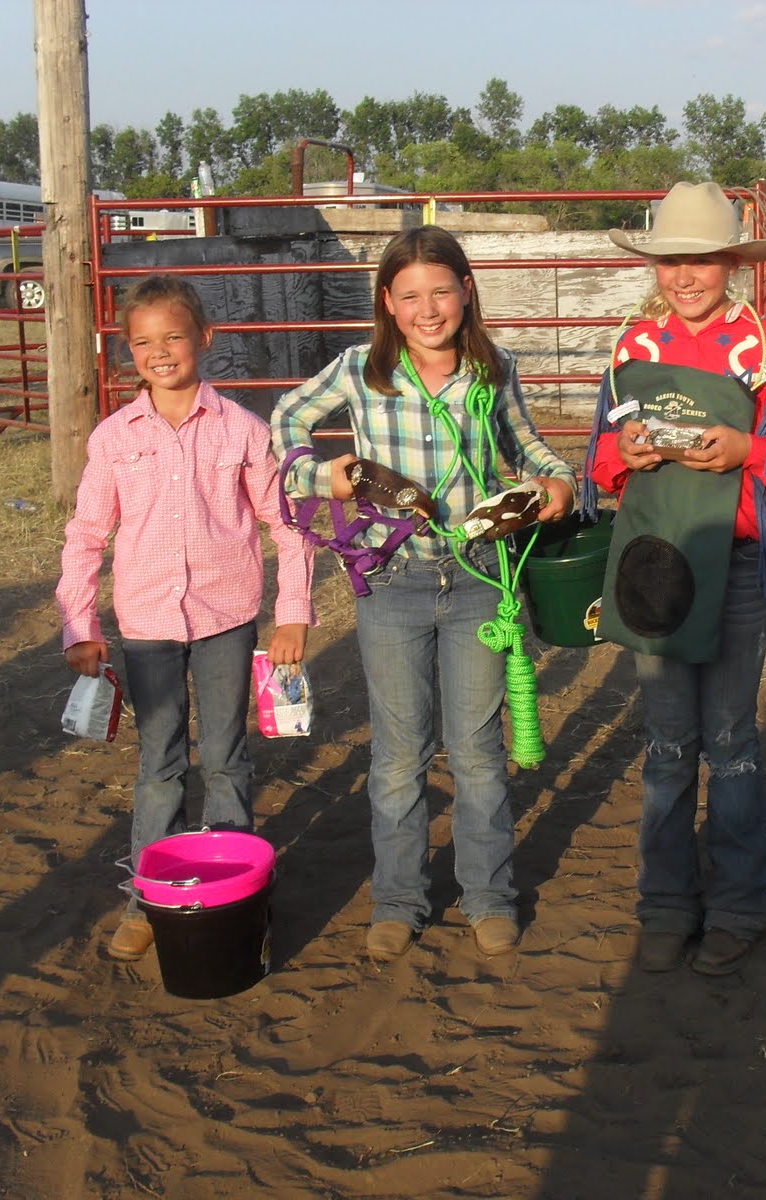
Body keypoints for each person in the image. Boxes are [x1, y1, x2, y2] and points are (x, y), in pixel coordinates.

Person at [273, 226, 576, 963]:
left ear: (466, 290)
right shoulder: (358, 370)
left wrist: (557, 481)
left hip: (476, 579)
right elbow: (285, 423)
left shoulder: (491, 368)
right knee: (401, 754)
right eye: (410, 295)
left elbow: (525, 445)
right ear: (387, 302)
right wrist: (328, 475)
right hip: (392, 583)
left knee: (475, 752)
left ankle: (488, 896)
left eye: (441, 290)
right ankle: (399, 901)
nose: (428, 308)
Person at [583, 181, 766, 975]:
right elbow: (600, 462)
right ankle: (666, 903)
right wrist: (626, 456)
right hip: (657, 562)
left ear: (732, 263)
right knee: (665, 743)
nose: (687, 276)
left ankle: (737, 905)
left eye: (703, 260)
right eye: (672, 261)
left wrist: (748, 450)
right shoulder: (631, 354)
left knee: (728, 740)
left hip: (741, 565)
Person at [57, 273, 315, 962]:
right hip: (146, 625)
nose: (161, 351)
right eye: (143, 342)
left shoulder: (243, 430)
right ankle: (151, 896)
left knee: (227, 757)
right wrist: (79, 625)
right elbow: (87, 534)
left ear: (205, 337)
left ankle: (231, 889)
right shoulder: (114, 439)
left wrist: (293, 614)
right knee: (160, 761)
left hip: (227, 618)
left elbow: (288, 525)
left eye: (174, 335)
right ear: (128, 352)